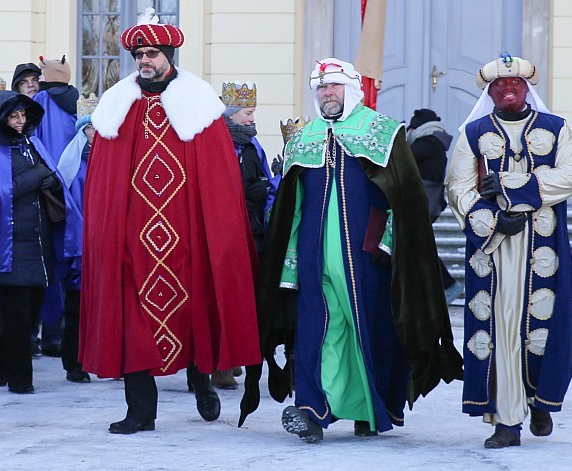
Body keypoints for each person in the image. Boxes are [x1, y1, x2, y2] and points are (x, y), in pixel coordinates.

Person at [238, 58, 463, 442]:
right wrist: (289, 260)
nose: (328, 93)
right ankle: (311, 410)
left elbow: (408, 200)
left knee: (368, 330)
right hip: (313, 256)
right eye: (322, 88)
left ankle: (369, 410)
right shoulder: (303, 137)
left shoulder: (383, 133)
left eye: (335, 86)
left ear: (352, 89)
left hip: (367, 258)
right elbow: (290, 208)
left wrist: (389, 242)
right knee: (316, 330)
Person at [79, 9, 261, 434]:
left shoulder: (199, 106)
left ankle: (201, 381)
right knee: (132, 324)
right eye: (139, 54)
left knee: (194, 312)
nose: (145, 61)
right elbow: (104, 182)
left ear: (169, 55)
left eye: (152, 54)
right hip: (132, 243)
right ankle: (140, 411)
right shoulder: (117, 107)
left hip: (187, 238)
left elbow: (218, 183)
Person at [445, 53, 572, 449]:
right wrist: (492, 221)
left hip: (545, 245)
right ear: (489, 92)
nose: (508, 89)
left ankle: (539, 398)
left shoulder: (556, 129)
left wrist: (510, 185)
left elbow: (571, 175)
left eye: (516, 84)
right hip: (492, 246)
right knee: (501, 327)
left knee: (543, 325)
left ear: (527, 89)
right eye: (500, 85)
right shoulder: (472, 134)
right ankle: (507, 421)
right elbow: (458, 187)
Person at [0, 89, 81, 394]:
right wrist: (35, 177)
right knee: (15, 316)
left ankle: (2, 363)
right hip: (7, 247)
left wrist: (45, 176)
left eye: (22, 115)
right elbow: (0, 192)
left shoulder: (31, 143)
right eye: (12, 116)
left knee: (29, 315)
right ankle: (20, 380)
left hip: (39, 245)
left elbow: (54, 177)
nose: (19, 121)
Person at [211, 81, 275, 390]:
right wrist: (258, 189)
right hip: (227, 235)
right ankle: (219, 364)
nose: (251, 119)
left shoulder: (251, 145)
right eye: (247, 113)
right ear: (232, 114)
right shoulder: (217, 143)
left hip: (254, 229)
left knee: (245, 300)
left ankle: (235, 356)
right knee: (224, 301)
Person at [55, 93, 100, 383]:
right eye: (90, 128)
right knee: (77, 307)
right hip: (82, 246)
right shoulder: (72, 164)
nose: (95, 133)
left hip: (105, 244)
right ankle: (75, 361)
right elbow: (68, 208)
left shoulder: (110, 160)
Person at [406, 108, 464, 304]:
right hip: (425, 201)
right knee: (418, 246)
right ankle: (436, 288)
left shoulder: (427, 143)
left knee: (420, 247)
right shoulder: (435, 142)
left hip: (419, 201)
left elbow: (403, 157)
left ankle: (447, 285)